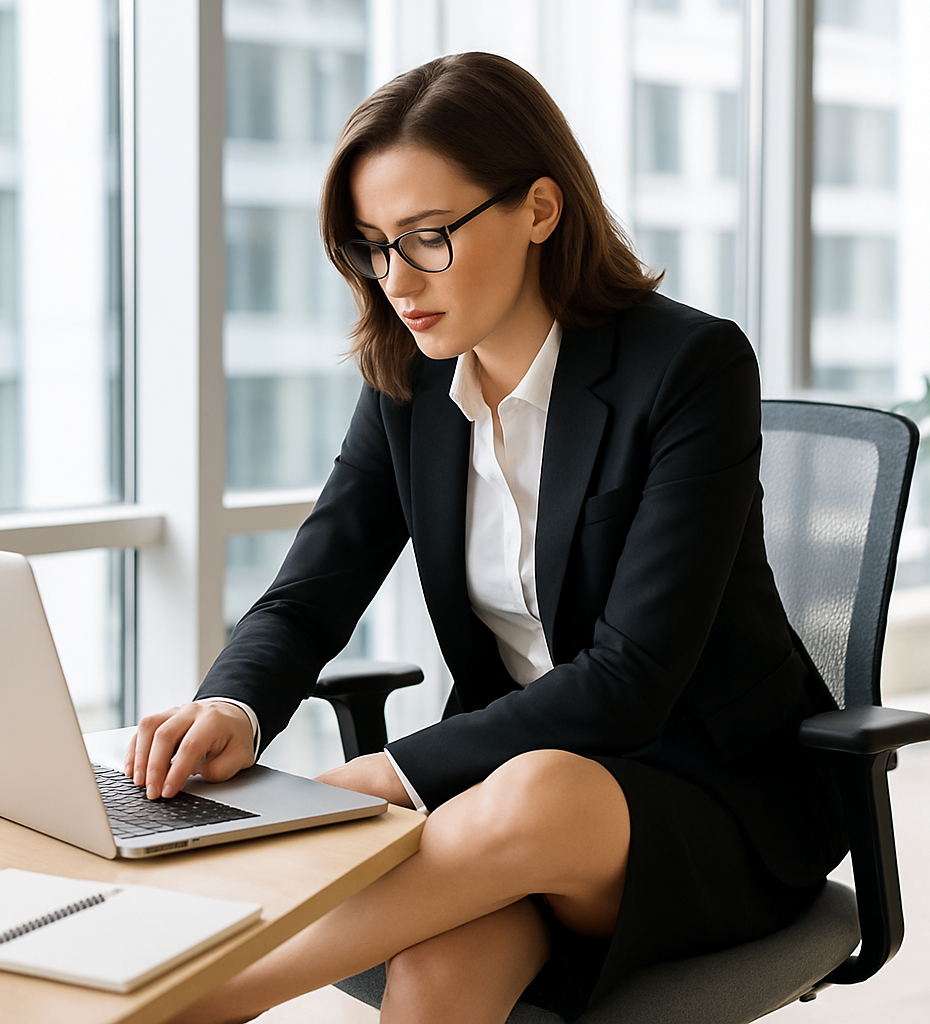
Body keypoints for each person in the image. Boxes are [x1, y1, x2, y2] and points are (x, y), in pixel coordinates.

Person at [127, 52, 846, 1024]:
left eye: (427, 239)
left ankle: (190, 1002)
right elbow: (311, 591)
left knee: (540, 791)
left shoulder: (687, 365)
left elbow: (631, 676)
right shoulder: (413, 384)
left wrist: (387, 775)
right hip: (501, 798)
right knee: (436, 978)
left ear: (538, 208)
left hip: (708, 797)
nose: (395, 281)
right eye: (371, 246)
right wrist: (233, 707)